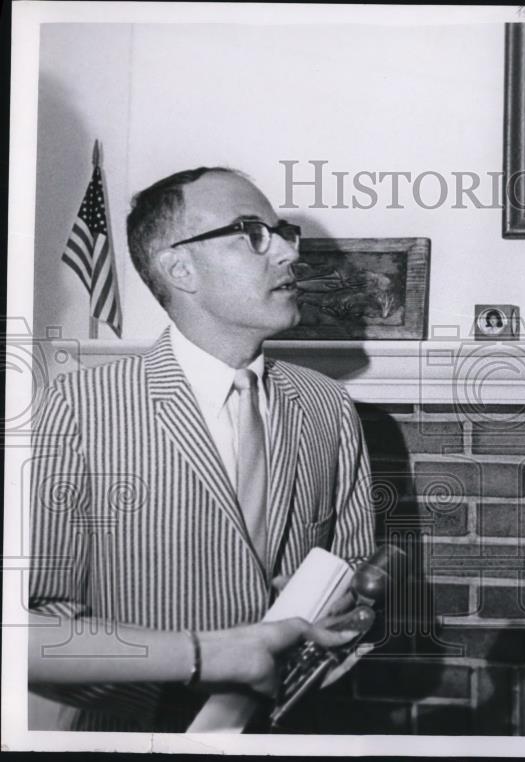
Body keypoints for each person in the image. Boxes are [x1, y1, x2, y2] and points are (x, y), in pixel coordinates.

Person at [29, 167, 376, 731]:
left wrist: (345, 617)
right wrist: (183, 681)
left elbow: (357, 573)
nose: (289, 254)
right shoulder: (78, 406)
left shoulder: (327, 406)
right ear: (180, 267)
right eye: (253, 233)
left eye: (285, 232)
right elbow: (34, 620)